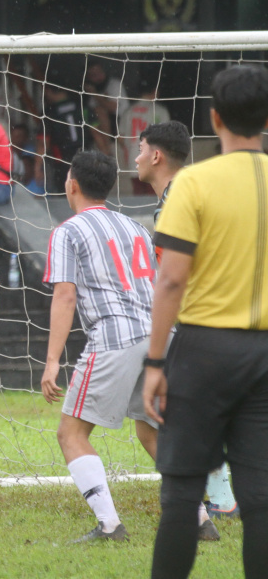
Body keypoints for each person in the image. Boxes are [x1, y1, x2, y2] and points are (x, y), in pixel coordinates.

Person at [40, 151, 217, 544]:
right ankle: (200, 518)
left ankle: (109, 525)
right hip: (158, 335)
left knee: (71, 433)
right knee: (154, 429)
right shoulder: (135, 227)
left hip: (114, 337)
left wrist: (52, 362)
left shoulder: (68, 230)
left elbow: (65, 297)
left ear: (72, 186)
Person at [143, 64, 268, 578]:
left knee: (181, 494)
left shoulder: (194, 183)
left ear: (213, 117)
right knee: (261, 498)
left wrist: (155, 362)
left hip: (204, 351)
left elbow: (170, 280)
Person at [134, 120, 240, 522]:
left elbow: (178, 276)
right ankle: (221, 496)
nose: (137, 157)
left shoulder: (181, 198)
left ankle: (217, 499)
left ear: (157, 155)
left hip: (201, 321)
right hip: (227, 316)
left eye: (141, 149)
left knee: (172, 416)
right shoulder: (197, 190)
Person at [120, 82, 172, 195]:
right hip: (154, 158)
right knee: (154, 194)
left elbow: (120, 138)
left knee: (138, 194)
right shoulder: (160, 111)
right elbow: (167, 136)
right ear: (155, 91)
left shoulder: (128, 112)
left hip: (134, 158)